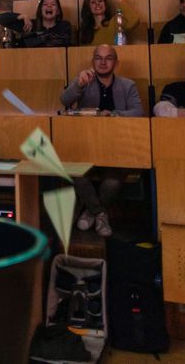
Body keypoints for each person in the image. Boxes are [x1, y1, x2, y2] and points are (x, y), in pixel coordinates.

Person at [60, 44, 144, 238]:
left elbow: (138, 112)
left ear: (116, 62)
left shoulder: (127, 85)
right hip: (86, 146)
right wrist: (78, 85)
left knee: (113, 182)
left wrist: (113, 114)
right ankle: (100, 214)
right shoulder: (83, 81)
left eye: (108, 58)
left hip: (118, 147)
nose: (103, 62)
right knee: (75, 173)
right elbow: (64, 100)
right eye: (98, 58)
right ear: (93, 62)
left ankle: (91, 212)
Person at [0, 0, 75, 48]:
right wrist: (22, 16)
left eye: (53, 4)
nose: (49, 6)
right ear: (40, 10)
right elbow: (0, 18)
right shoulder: (30, 25)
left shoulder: (64, 25)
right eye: (45, 4)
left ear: (58, 11)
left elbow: (64, 43)